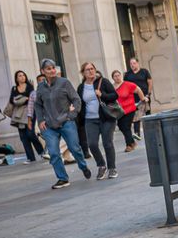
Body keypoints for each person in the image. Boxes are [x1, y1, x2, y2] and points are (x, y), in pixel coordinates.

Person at [34, 58, 91, 188]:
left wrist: (71, 115)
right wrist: (40, 120)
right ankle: (63, 178)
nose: (52, 70)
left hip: (66, 122)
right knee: (53, 153)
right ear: (42, 71)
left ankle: (83, 166)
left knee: (75, 149)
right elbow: (38, 105)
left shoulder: (64, 83)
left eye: (53, 67)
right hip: (49, 126)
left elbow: (77, 100)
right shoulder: (41, 87)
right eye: (48, 68)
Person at [78, 62, 120, 180]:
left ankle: (112, 168)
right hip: (90, 120)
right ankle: (101, 165)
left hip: (106, 118)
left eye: (92, 68)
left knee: (107, 143)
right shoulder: (81, 87)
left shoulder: (103, 82)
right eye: (87, 70)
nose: (90, 71)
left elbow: (115, 95)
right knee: (92, 144)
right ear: (83, 73)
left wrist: (103, 95)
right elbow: (80, 103)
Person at [8, 71, 44, 161]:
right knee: (23, 137)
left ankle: (41, 152)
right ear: (16, 78)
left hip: (30, 112)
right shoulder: (14, 88)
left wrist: (21, 99)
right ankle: (30, 157)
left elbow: (32, 98)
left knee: (30, 133)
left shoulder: (29, 86)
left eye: (23, 75)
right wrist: (25, 99)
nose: (22, 77)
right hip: (19, 114)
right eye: (20, 76)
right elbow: (12, 101)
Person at [111, 70, 146, 151]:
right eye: (115, 76)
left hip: (129, 108)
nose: (117, 77)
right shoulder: (112, 87)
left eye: (118, 75)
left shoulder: (127, 84)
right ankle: (132, 142)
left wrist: (143, 99)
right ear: (113, 78)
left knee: (126, 126)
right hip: (119, 111)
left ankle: (129, 145)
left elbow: (138, 89)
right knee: (121, 126)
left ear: (121, 76)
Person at [123, 57, 152, 141]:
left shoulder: (144, 71)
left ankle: (150, 130)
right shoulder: (128, 74)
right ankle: (137, 133)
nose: (132, 65)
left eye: (134, 63)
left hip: (145, 96)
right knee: (136, 115)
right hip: (134, 98)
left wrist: (148, 94)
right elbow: (125, 85)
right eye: (131, 64)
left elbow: (150, 82)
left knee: (147, 112)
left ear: (138, 63)